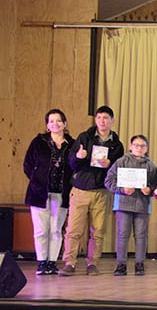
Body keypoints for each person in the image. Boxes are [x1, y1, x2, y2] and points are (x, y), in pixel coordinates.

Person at [59, 105, 125, 276]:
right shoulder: (84, 137)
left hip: (101, 191)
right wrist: (77, 157)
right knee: (73, 229)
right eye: (99, 118)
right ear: (95, 120)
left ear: (112, 121)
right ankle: (69, 262)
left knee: (98, 231)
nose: (102, 121)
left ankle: (93, 263)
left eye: (105, 118)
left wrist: (110, 165)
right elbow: (71, 162)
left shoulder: (117, 145)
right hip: (80, 189)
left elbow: (120, 171)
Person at [24, 109, 75, 276]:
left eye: (59, 120)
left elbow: (75, 166)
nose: (55, 124)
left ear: (65, 124)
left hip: (61, 194)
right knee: (40, 229)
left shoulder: (72, 144)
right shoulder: (38, 142)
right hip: (39, 193)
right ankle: (41, 262)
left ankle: (52, 262)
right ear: (47, 125)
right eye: (51, 121)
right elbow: (28, 164)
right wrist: (36, 180)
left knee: (55, 229)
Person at [104, 135, 157, 276]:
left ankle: (139, 264)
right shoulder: (121, 162)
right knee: (123, 234)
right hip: (123, 204)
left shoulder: (151, 166)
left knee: (141, 235)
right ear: (130, 146)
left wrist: (150, 190)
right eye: (136, 145)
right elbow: (108, 181)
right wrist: (122, 189)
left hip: (142, 204)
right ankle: (121, 264)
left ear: (146, 148)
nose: (139, 148)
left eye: (142, 146)